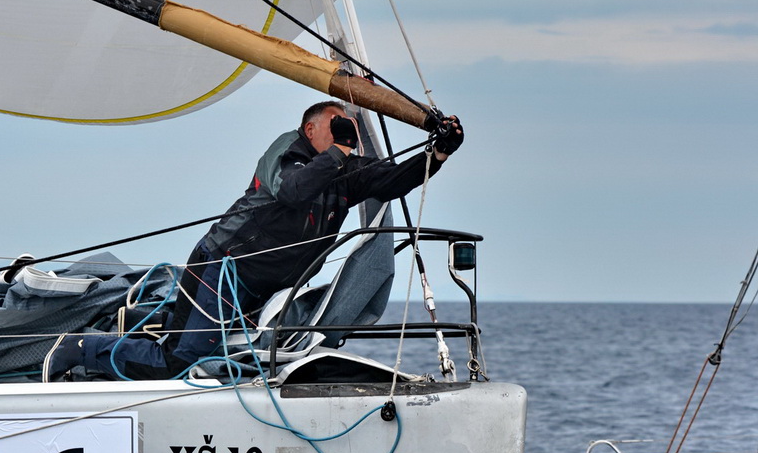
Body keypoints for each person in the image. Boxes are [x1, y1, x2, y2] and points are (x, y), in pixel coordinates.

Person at [44, 100, 463, 381]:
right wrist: (337, 153)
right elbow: (292, 191)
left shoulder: (342, 171)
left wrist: (438, 154)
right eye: (336, 126)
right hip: (222, 268)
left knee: (202, 351)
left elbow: (391, 181)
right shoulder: (288, 151)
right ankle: (79, 350)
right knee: (181, 360)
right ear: (310, 127)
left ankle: (116, 355)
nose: (345, 134)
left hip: (262, 286)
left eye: (347, 128)